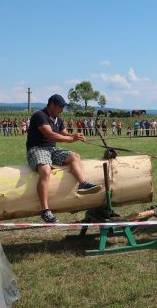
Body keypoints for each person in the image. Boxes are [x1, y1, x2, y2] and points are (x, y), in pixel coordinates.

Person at [26, 94, 102, 223]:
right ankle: (45, 210)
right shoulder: (39, 116)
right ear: (52, 105)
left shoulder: (58, 119)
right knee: (45, 170)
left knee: (75, 156)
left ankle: (83, 184)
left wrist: (74, 135)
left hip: (52, 149)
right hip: (37, 148)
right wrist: (72, 139)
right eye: (60, 107)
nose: (62, 110)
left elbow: (63, 133)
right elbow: (51, 135)